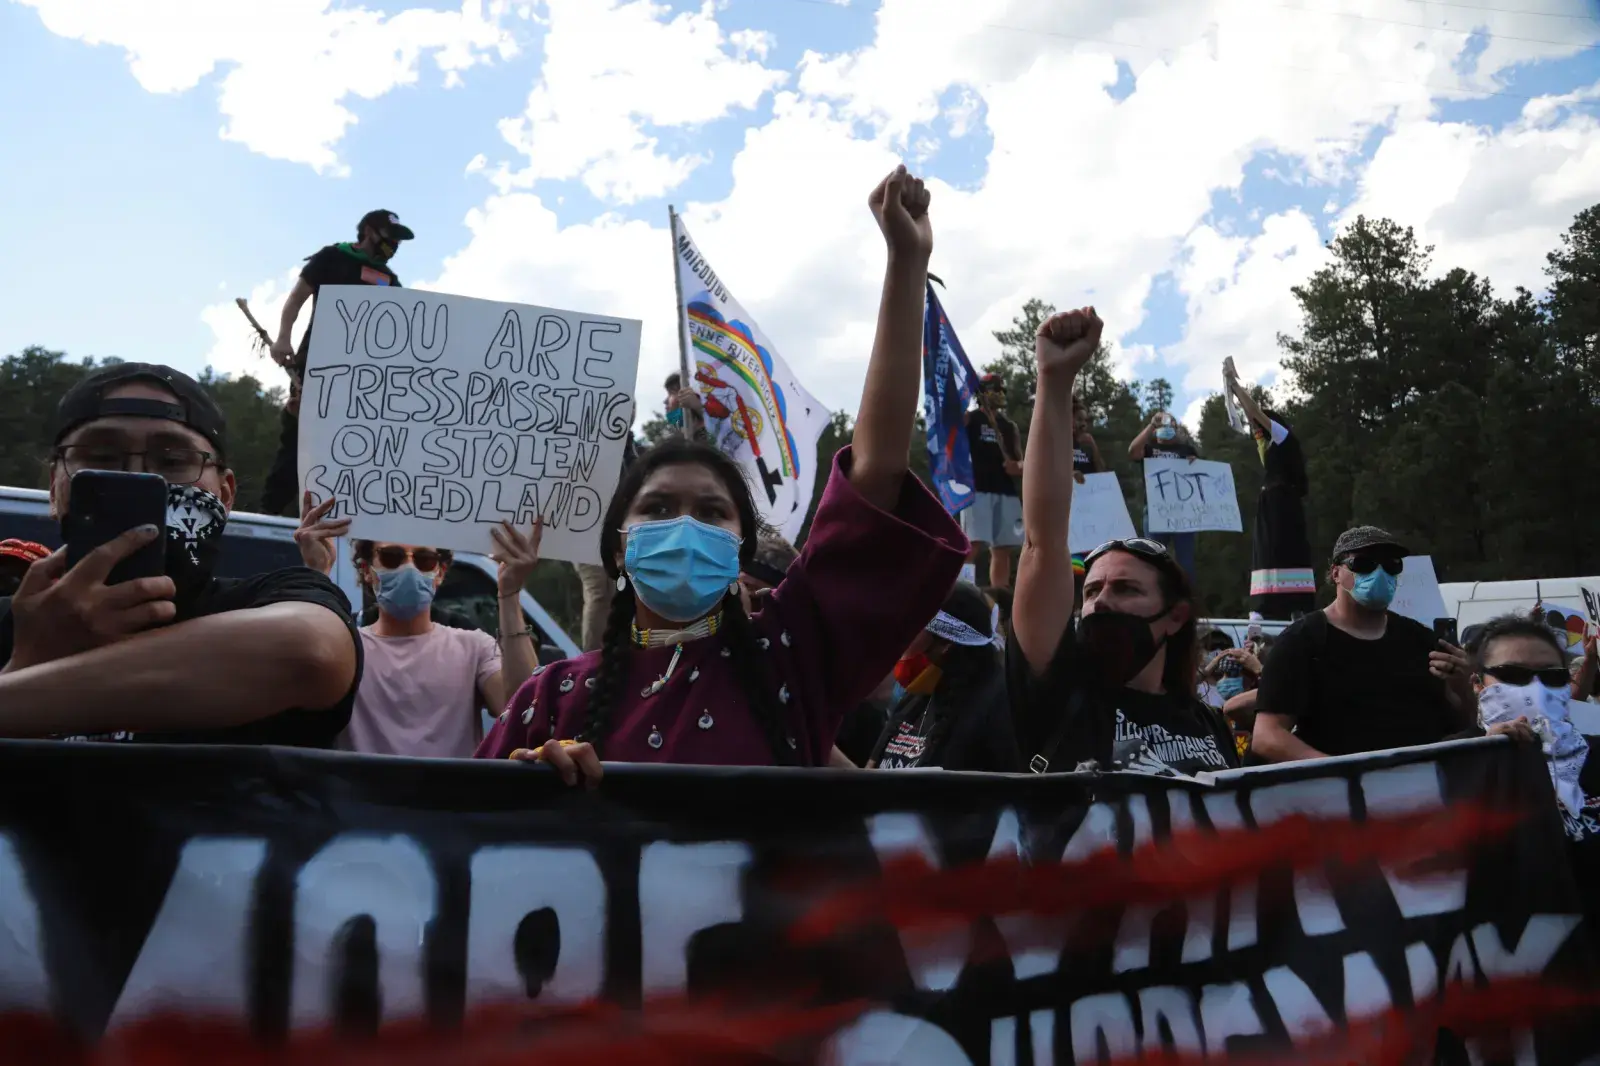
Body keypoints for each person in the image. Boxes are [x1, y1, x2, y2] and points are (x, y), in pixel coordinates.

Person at [475, 165, 967, 784]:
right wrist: (528, 789)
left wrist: (906, 261)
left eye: (711, 512)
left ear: (739, 549)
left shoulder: (789, 657)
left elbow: (875, 476)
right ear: (618, 549)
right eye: (657, 508)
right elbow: (462, 824)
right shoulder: (551, 696)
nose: (683, 526)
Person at [0, 364, 360, 744]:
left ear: (225, 494)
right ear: (55, 488)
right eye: (101, 457)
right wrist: (26, 659)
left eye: (172, 461)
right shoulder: (12, 620)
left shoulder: (275, 598)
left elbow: (309, 650)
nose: (136, 476)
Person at [1009, 309, 1236, 778]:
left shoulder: (1208, 723)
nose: (1101, 602)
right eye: (1092, 591)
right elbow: (1042, 544)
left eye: (1126, 589)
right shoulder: (1061, 695)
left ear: (1175, 616)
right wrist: (1054, 380)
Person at [294, 494, 543, 757]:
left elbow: (523, 710)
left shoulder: (474, 647)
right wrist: (317, 571)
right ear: (367, 570)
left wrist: (510, 592)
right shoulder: (345, 648)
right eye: (392, 557)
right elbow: (301, 693)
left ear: (439, 573)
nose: (409, 568)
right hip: (361, 786)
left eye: (424, 560)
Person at [1252, 526, 1475, 762]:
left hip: (1419, 779)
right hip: (1343, 784)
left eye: (1391, 565)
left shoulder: (1420, 639)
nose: (1379, 573)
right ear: (1336, 573)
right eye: (1364, 564)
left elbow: (1462, 724)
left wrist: (1462, 687)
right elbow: (1267, 736)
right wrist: (1341, 771)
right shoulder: (1302, 640)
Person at [259, 209, 415, 516]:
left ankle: (338, 522)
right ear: (369, 231)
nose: (394, 245)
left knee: (350, 450)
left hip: (361, 383)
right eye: (390, 236)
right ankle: (268, 516)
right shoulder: (332, 258)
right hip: (315, 369)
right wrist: (283, 338)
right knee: (298, 441)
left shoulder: (390, 281)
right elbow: (296, 299)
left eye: (398, 240)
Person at [867, 582, 1017, 772]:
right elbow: (871, 774)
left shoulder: (995, 704)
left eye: (911, 629)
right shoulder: (915, 698)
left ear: (945, 642)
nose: (901, 640)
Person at [1224, 359, 1313, 620]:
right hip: (1272, 503)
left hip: (1284, 503)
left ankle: (1296, 606)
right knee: (1266, 552)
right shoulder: (1268, 449)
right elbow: (1252, 419)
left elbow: (1254, 412)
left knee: (1285, 550)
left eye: (1259, 428)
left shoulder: (1283, 436)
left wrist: (1235, 387)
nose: (1256, 432)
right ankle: (1264, 606)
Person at [962, 373, 1024, 589]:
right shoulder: (970, 419)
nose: (1000, 393)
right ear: (983, 393)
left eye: (1002, 389)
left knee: (1002, 548)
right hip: (977, 489)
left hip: (1005, 490)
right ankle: (963, 592)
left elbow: (1021, 461)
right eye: (994, 389)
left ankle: (1000, 596)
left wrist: (1018, 467)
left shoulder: (1009, 426)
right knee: (972, 545)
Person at [1128, 410, 1200, 585]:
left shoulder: (1186, 449)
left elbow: (1199, 475)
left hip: (1183, 512)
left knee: (1185, 562)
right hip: (1156, 511)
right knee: (1153, 559)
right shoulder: (1149, 449)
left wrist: (1195, 462)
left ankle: (1185, 597)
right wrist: (1152, 424)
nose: (1167, 425)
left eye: (1171, 422)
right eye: (1162, 423)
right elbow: (1133, 452)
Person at [1071, 394, 1105, 484]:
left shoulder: (1087, 444)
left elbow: (1102, 472)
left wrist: (1093, 446)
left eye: (1085, 420)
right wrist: (1071, 474)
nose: (1083, 424)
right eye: (1079, 419)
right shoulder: (1060, 443)